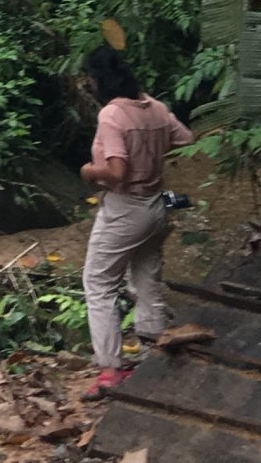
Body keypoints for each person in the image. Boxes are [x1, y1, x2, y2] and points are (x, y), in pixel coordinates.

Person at [78, 44, 193, 397]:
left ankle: (110, 370)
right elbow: (186, 139)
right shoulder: (155, 108)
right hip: (155, 206)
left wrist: (87, 172)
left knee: (98, 284)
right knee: (146, 281)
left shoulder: (111, 115)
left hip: (124, 207)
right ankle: (151, 359)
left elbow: (116, 171)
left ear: (97, 79)